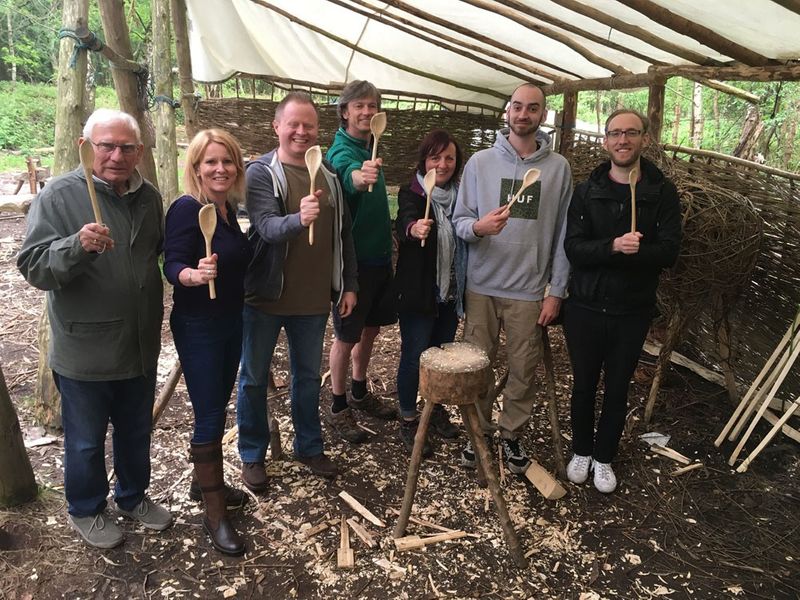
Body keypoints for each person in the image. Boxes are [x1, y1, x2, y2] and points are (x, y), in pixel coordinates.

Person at [17, 108, 171, 548]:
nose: (116, 155)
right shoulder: (61, 195)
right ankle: (86, 507)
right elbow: (33, 266)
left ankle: (132, 496)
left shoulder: (148, 197)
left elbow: (156, 254)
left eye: (126, 147)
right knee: (85, 441)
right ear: (87, 147)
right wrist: (74, 246)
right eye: (107, 145)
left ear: (140, 152)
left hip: (139, 343)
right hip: (85, 347)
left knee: (136, 429)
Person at [237, 92, 358, 485]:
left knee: (307, 378)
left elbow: (344, 236)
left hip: (312, 301)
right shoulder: (260, 172)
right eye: (293, 124)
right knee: (254, 378)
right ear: (277, 127)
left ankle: (309, 446)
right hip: (265, 298)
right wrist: (298, 218)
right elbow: (267, 226)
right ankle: (252, 453)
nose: (301, 132)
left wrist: (348, 285)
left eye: (309, 125)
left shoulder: (331, 178)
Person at [452, 83, 572, 474]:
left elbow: (563, 235)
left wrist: (556, 290)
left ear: (543, 115)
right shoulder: (480, 163)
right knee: (477, 366)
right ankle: (478, 433)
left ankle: (512, 435)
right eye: (517, 107)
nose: (524, 115)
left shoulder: (558, 169)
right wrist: (479, 227)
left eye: (532, 108)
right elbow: (459, 221)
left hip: (529, 288)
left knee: (523, 367)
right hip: (482, 284)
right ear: (507, 112)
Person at [563, 109, 682, 493]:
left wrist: (639, 251)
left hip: (632, 309)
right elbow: (573, 248)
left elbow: (669, 252)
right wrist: (613, 246)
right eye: (615, 133)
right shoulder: (587, 190)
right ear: (605, 141)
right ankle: (581, 449)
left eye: (631, 133)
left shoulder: (661, 191)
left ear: (644, 139)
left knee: (617, 387)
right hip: (584, 306)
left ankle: (604, 457)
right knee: (583, 384)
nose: (622, 140)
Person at [163, 129, 252, 555]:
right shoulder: (187, 209)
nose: (220, 169)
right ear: (196, 167)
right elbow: (172, 261)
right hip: (199, 325)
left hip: (230, 321)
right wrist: (191, 275)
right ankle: (214, 513)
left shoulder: (227, 208)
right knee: (210, 413)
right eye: (211, 162)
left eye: (227, 161)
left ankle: (206, 483)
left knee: (217, 402)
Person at [325, 80, 398, 444]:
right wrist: (360, 176)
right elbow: (347, 175)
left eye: (372, 106)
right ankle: (338, 405)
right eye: (359, 106)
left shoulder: (372, 143)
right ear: (345, 111)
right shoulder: (341, 151)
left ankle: (358, 389)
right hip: (353, 266)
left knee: (371, 329)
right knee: (345, 335)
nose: (367, 112)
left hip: (380, 259)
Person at [394, 129, 466, 456]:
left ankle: (434, 409)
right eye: (435, 157)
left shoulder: (463, 196)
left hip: (450, 294)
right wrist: (414, 228)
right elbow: (404, 223)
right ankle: (408, 419)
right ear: (425, 161)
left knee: (440, 356)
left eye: (449, 157)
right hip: (419, 293)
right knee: (415, 356)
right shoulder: (413, 193)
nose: (443, 163)